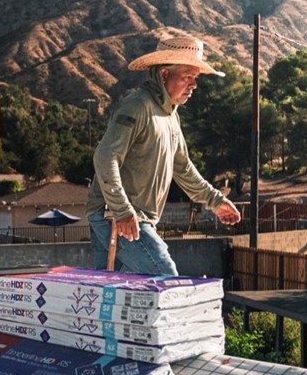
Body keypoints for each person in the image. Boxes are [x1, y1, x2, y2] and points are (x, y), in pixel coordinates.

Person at [87, 34, 242, 274]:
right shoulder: (137, 106)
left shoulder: (171, 116)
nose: (194, 84)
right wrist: (122, 210)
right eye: (187, 77)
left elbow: (183, 167)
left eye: (196, 78)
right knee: (166, 279)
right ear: (164, 75)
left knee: (112, 294)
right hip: (118, 217)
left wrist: (216, 201)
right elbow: (105, 157)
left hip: (127, 217)